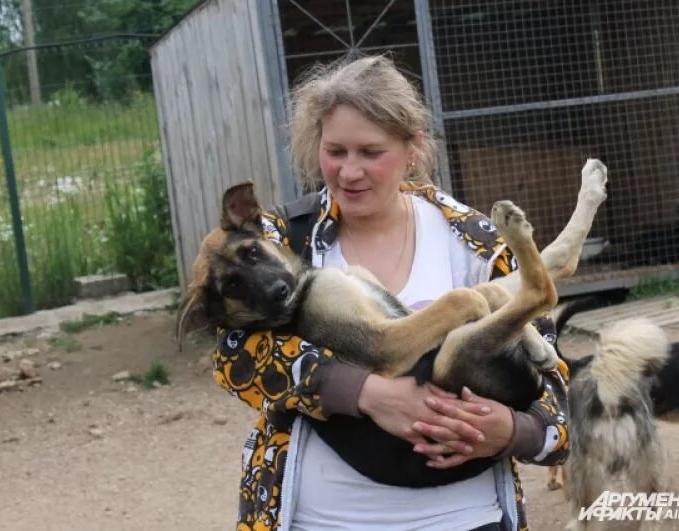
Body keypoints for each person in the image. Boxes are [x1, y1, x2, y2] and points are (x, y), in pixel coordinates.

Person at [212, 54, 569, 531]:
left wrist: (511, 431)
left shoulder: (476, 241)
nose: (349, 172)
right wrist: (367, 393)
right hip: (320, 520)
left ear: (412, 148)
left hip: (465, 518)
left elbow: (558, 394)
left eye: (370, 152)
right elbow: (235, 360)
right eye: (335, 151)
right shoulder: (278, 241)